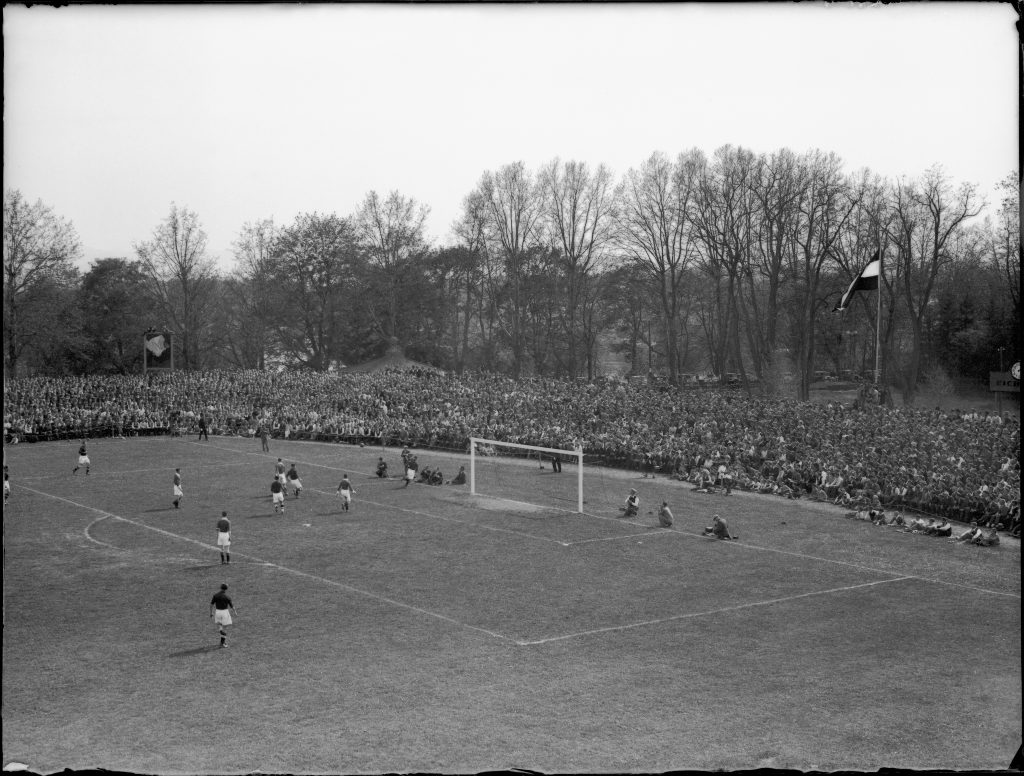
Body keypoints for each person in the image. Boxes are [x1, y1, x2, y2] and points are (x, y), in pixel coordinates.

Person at [209, 583, 236, 649]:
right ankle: (222, 643)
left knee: (220, 624)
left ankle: (221, 630)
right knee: (225, 627)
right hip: (225, 612)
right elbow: (232, 606)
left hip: (217, 612)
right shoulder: (227, 597)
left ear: (220, 587)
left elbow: (211, 604)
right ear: (226, 589)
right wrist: (235, 612)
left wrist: (211, 613)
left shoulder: (215, 595)